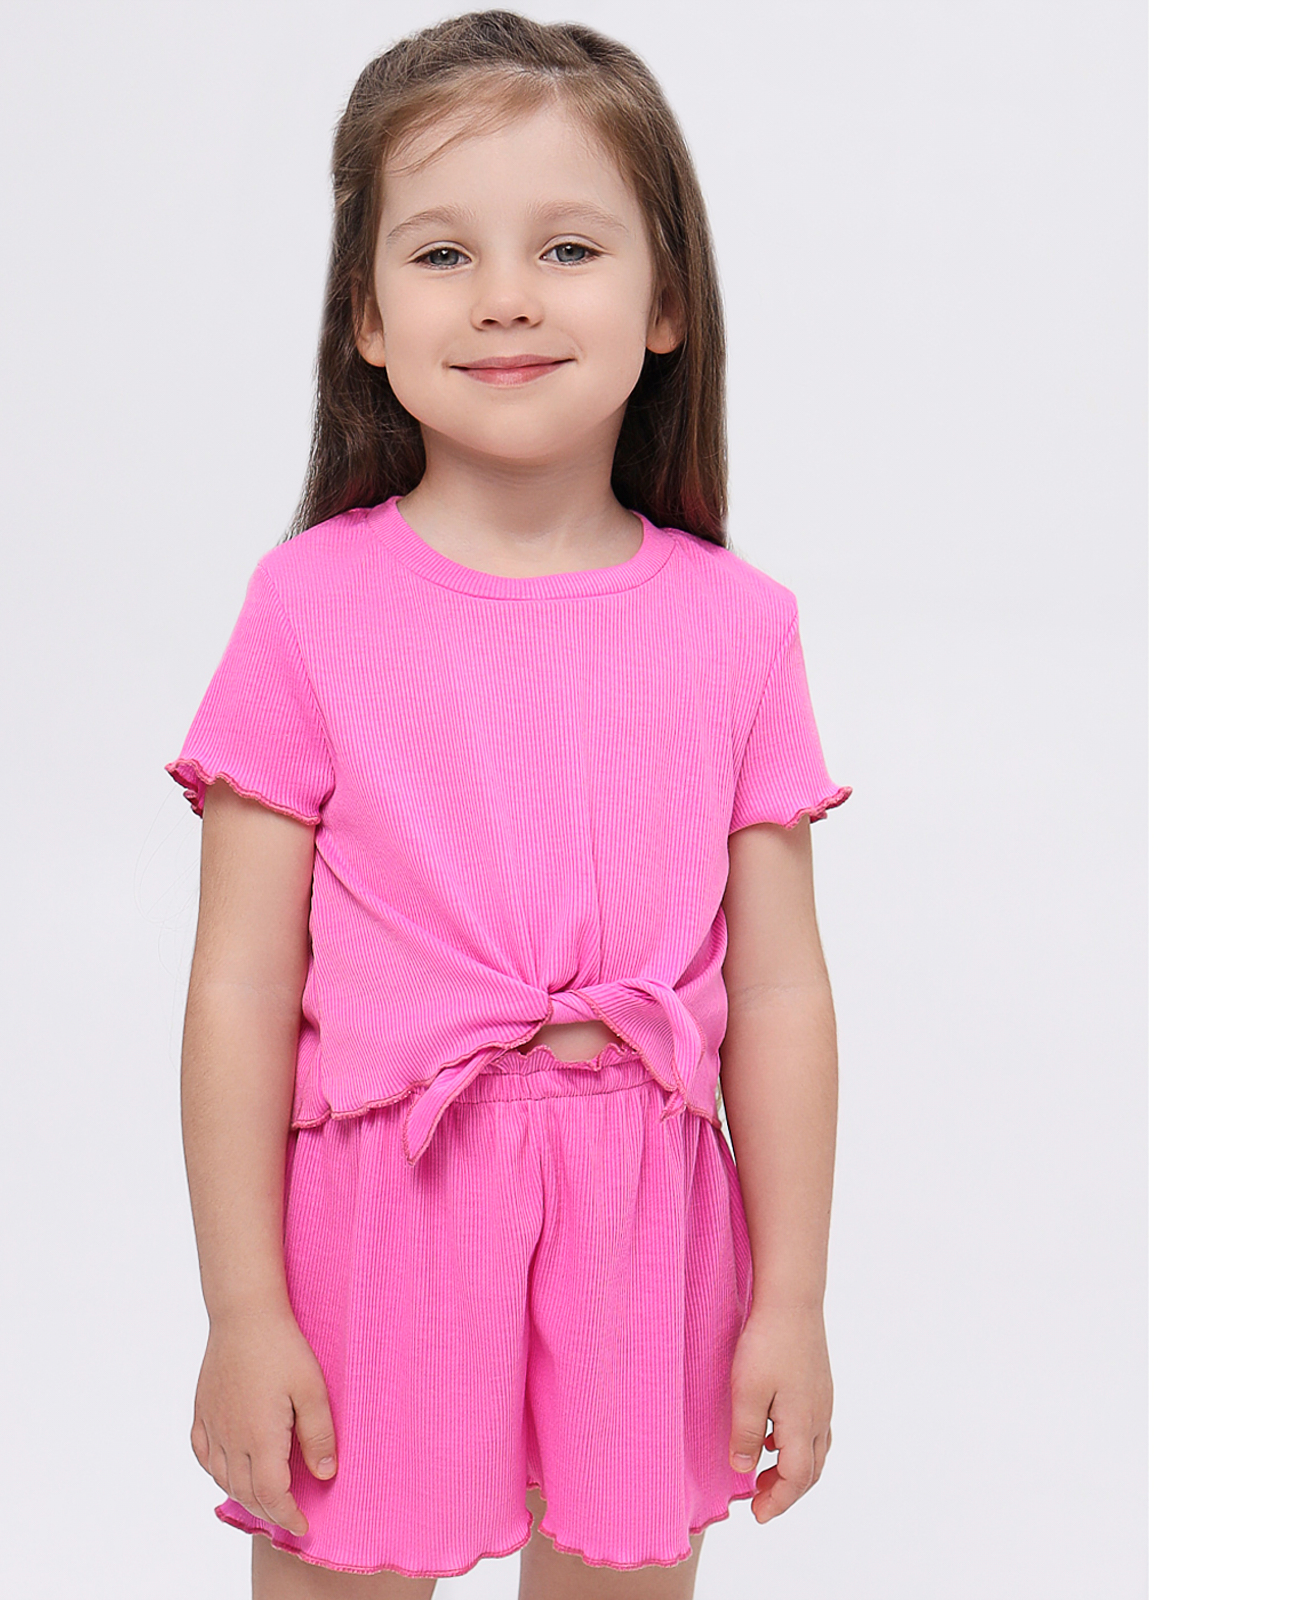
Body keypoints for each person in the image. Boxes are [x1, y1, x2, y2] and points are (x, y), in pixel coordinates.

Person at [165, 12, 851, 1596]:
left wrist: (793, 1300)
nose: (507, 298)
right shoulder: (308, 609)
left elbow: (782, 992)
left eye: (567, 246)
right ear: (366, 316)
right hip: (382, 1205)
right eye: (442, 254)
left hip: (647, 1219)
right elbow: (240, 985)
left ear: (666, 301)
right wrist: (243, 1308)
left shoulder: (742, 627)